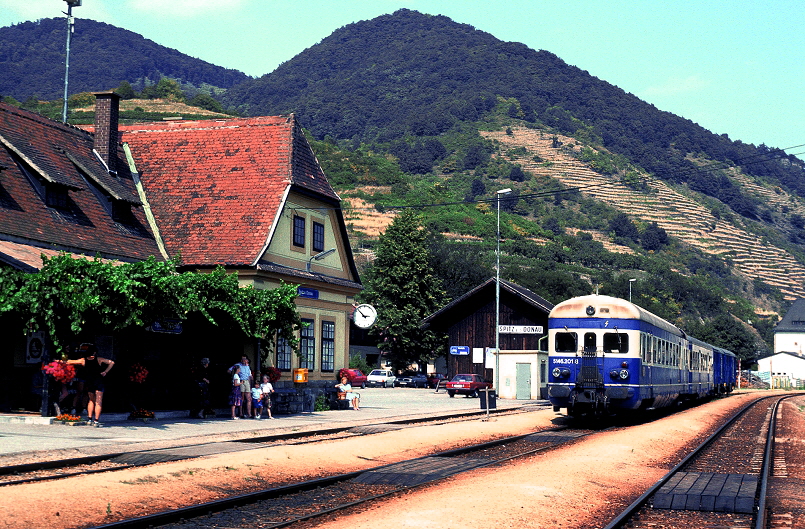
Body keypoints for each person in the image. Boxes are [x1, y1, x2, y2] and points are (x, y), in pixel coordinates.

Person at [65, 343, 114, 427]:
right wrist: (105, 372)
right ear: (94, 352)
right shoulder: (99, 359)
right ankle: (96, 420)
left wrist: (58, 361)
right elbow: (111, 362)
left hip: (89, 381)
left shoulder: (83, 360)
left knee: (91, 400)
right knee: (98, 401)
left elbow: (69, 362)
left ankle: (89, 418)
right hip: (98, 381)